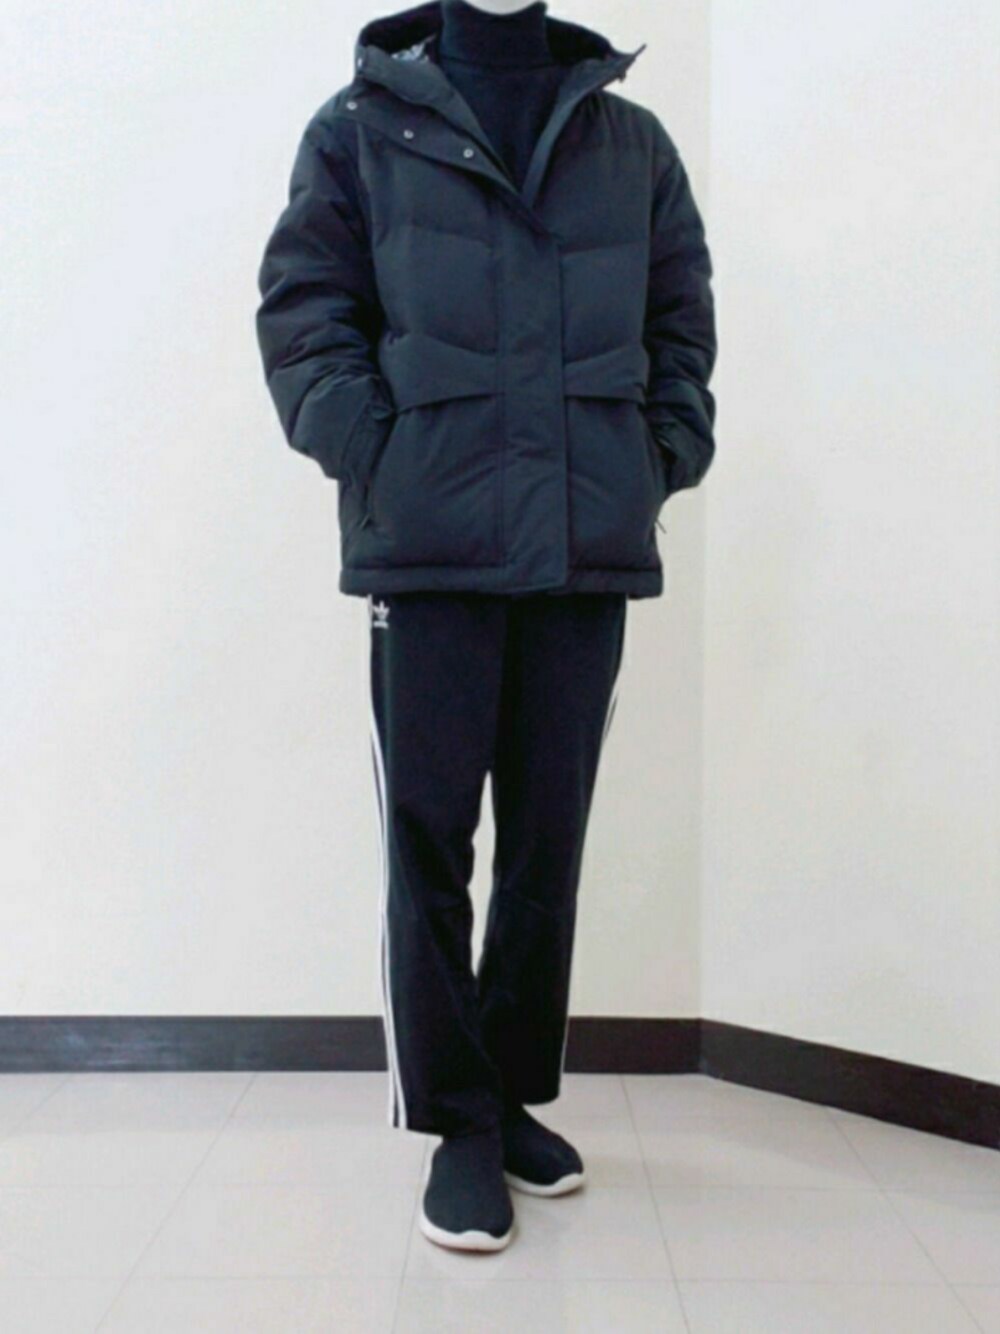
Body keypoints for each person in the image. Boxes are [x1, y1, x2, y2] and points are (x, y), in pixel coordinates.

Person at [255, 0, 716, 1252]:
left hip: (581, 548)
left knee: (545, 847)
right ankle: (453, 1120)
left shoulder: (631, 143)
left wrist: (654, 457)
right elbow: (303, 314)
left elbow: (680, 323)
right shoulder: (356, 131)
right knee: (428, 843)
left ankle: (509, 1098)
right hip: (429, 553)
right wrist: (380, 455)